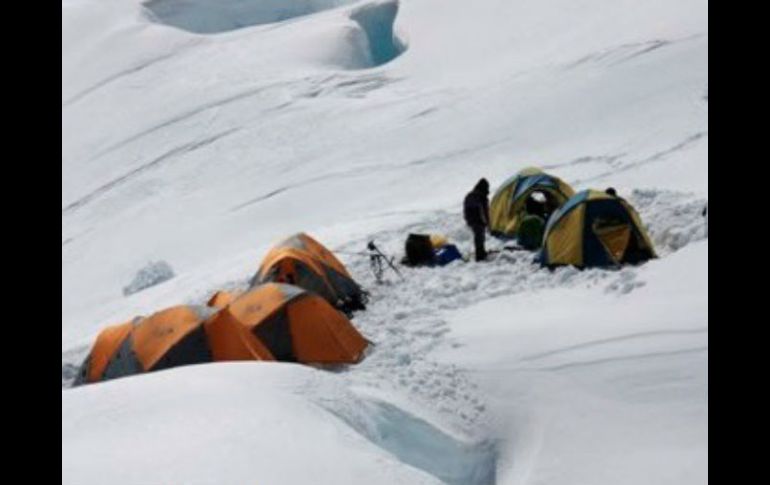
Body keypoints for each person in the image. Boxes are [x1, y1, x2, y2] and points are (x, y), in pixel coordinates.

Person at [463, 178, 490, 261]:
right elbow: (484, 210)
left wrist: (467, 219)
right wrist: (486, 221)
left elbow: (466, 208)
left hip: (471, 219)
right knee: (480, 236)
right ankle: (480, 255)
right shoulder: (481, 196)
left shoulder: (470, 195)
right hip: (479, 219)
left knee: (478, 236)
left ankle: (480, 252)